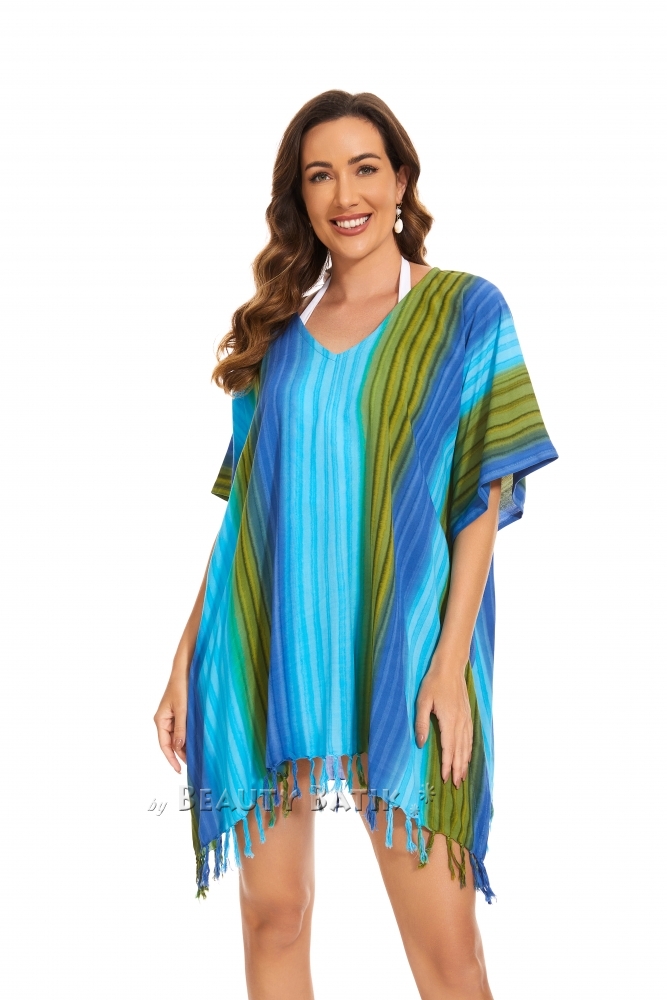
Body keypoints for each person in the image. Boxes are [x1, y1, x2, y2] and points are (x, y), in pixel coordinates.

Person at [154, 90, 558, 1000]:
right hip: (270, 655)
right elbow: (247, 519)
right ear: (298, 197)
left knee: (447, 953)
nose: (345, 194)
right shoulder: (276, 342)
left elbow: (482, 495)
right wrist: (186, 656)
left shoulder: (463, 310)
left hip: (408, 655)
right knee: (272, 916)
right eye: (320, 175)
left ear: (401, 180)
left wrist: (449, 664)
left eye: (365, 168)